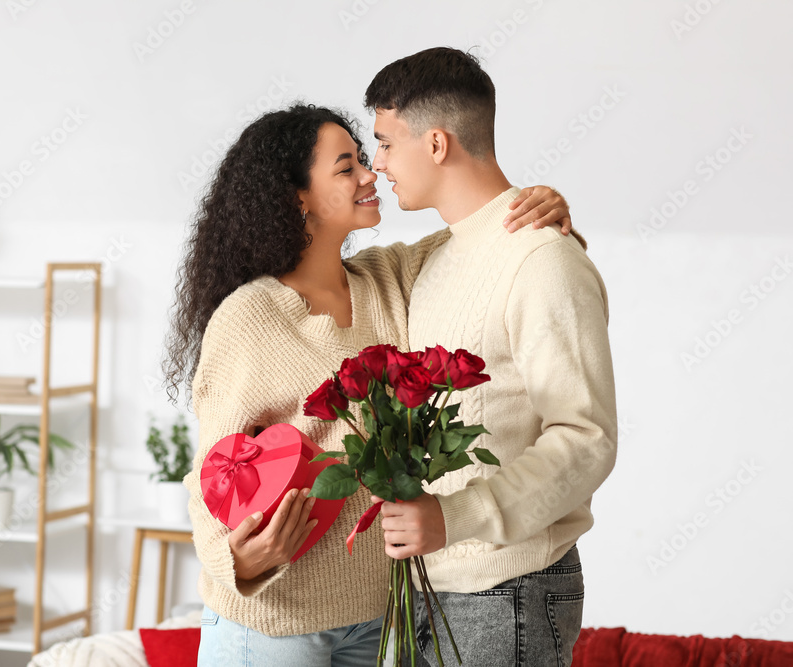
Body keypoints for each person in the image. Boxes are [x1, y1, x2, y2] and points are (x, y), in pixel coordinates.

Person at [164, 103, 575, 666]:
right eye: (346, 167)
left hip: (380, 619)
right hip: (276, 623)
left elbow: (488, 238)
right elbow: (212, 470)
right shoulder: (250, 316)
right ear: (298, 198)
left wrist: (541, 205)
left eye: (364, 159)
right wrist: (235, 562)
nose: (370, 173)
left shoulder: (389, 277)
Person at [363, 47, 617, 667]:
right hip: (425, 590)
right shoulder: (435, 259)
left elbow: (586, 438)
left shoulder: (543, 260)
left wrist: (456, 517)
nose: (378, 163)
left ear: (437, 143)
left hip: (509, 592)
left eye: (386, 143)